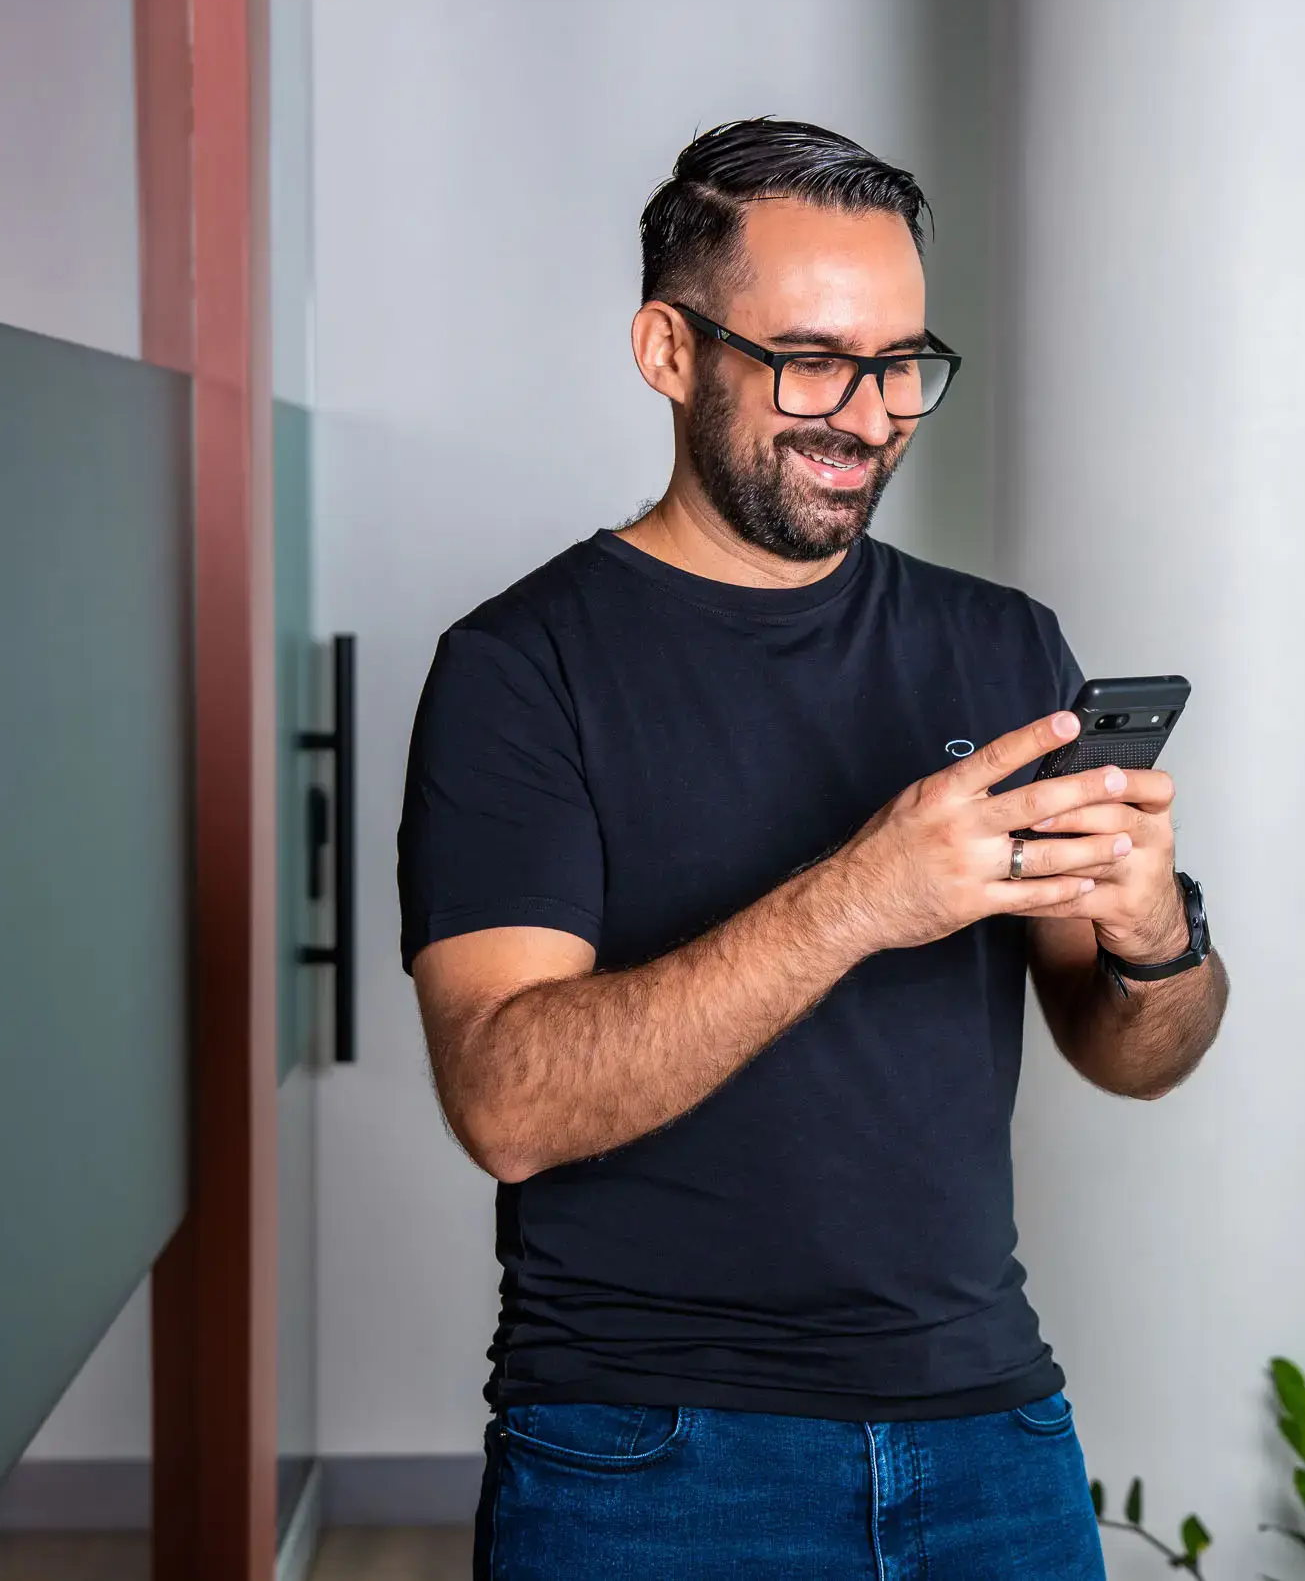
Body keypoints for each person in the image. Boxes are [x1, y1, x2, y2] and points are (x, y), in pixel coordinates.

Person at [399, 117, 1230, 1580]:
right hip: (645, 1453)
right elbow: (506, 1101)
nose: (870, 413)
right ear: (671, 349)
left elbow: (1135, 1053)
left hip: (991, 1431)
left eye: (903, 362)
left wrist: (1155, 927)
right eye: (811, 359)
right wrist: (858, 898)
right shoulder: (519, 667)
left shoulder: (1001, 641)